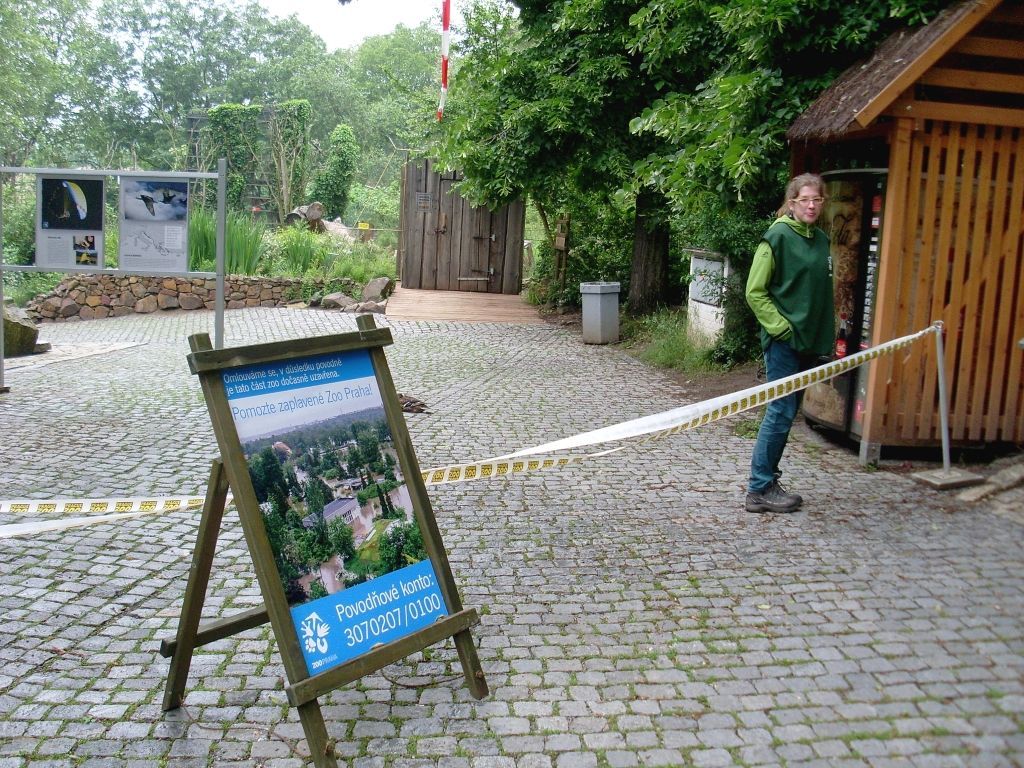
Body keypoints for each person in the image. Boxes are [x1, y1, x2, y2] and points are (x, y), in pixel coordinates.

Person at [744, 173, 835, 513]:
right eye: (805, 200)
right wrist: (780, 328)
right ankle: (759, 488)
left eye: (817, 200)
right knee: (780, 411)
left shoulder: (821, 240)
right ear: (793, 202)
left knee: (788, 411)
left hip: (809, 342)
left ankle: (767, 481)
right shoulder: (778, 237)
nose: (811, 205)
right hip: (784, 341)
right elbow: (755, 291)